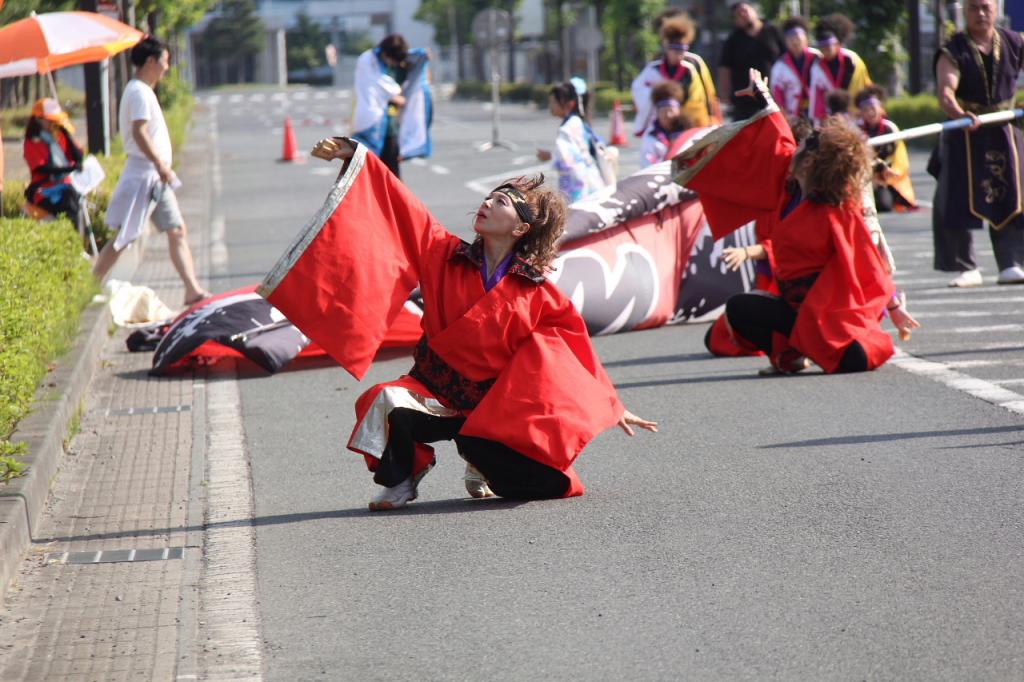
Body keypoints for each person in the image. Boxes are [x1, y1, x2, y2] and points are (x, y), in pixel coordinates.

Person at [301, 136, 657, 510]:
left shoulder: (536, 293)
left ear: (520, 229)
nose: (486, 203)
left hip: (494, 413)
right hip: (433, 392)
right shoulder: (443, 254)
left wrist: (610, 403)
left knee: (546, 481)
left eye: (500, 202)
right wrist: (358, 156)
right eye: (489, 197)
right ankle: (403, 478)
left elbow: (572, 354)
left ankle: (479, 464)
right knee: (380, 399)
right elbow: (402, 206)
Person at [675, 69, 918, 375]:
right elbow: (778, 137)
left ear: (810, 163)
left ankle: (815, 347)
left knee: (851, 354)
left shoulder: (835, 209)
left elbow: (867, 260)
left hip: (826, 310)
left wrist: (893, 306)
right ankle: (790, 354)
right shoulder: (788, 186)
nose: (792, 150)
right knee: (739, 309)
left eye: (800, 148)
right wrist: (764, 96)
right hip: (792, 306)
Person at [92, 36, 209, 306]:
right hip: (147, 175)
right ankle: (91, 283)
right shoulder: (139, 92)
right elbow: (139, 132)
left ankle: (192, 288)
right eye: (165, 61)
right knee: (125, 236)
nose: (167, 67)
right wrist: (160, 164)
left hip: (151, 176)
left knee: (172, 230)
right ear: (151, 61)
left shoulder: (140, 90)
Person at [930, 0, 1024, 287]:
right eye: (974, 8)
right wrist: (959, 114)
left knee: (1013, 194)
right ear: (965, 12)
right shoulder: (954, 48)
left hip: (1005, 130)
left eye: (986, 7)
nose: (981, 14)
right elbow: (947, 91)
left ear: (996, 8)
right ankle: (966, 266)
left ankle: (1013, 261)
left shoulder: (1014, 40)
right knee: (957, 197)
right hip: (966, 130)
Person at [352, 34, 432, 179]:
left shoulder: (383, 63)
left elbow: (412, 62)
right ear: (386, 54)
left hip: (389, 126)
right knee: (376, 173)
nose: (393, 64)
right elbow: (395, 94)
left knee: (387, 174)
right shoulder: (371, 63)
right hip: (375, 125)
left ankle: (393, 201)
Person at [631, 14, 721, 138]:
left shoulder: (693, 64)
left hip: (692, 122)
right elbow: (639, 89)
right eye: (675, 50)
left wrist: (712, 118)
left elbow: (707, 94)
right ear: (667, 48)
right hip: (663, 124)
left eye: (683, 49)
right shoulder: (654, 68)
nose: (679, 54)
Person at [536, 80, 612, 202]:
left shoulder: (567, 129)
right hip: (593, 182)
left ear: (569, 104)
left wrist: (549, 156)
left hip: (579, 187)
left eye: (554, 102)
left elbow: (568, 161)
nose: (551, 106)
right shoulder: (578, 122)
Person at [718, 1, 785, 121]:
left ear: (754, 10)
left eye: (744, 10)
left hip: (773, 96)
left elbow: (786, 59)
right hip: (745, 101)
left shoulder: (773, 31)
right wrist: (724, 95)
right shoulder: (733, 40)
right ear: (735, 21)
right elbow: (724, 68)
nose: (743, 15)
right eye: (738, 14)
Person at [855, 85, 917, 213]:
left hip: (886, 176)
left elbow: (899, 158)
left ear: (881, 108)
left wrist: (882, 173)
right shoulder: (856, 129)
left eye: (873, 108)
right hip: (865, 176)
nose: (870, 112)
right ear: (861, 112)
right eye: (865, 109)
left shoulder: (890, 129)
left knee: (884, 206)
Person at [22, 98, 83, 221]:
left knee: (73, 201)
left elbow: (78, 157)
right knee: (68, 201)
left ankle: (80, 237)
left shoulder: (59, 137)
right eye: (50, 120)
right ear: (39, 120)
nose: (53, 124)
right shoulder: (32, 142)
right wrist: (69, 168)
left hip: (66, 186)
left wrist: (66, 133)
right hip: (43, 190)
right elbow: (42, 169)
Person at [808, 14, 872, 126]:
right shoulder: (817, 68)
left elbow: (863, 87)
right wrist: (821, 119)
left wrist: (855, 112)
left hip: (857, 116)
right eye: (822, 47)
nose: (826, 50)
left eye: (828, 46)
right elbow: (817, 97)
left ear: (837, 43)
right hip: (831, 118)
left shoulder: (853, 60)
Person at [769, 17, 819, 119]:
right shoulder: (780, 66)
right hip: (793, 113)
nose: (795, 42)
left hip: (818, 111)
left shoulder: (818, 57)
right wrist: (784, 115)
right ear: (785, 42)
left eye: (797, 37)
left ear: (806, 38)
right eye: (790, 39)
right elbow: (777, 93)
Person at [640, 81, 691, 167]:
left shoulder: (688, 132)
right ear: (657, 113)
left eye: (671, 110)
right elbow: (647, 165)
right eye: (664, 111)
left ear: (679, 111)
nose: (668, 115)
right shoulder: (651, 136)